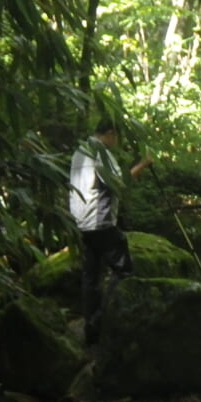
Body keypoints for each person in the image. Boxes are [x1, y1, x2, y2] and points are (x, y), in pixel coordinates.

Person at [69, 118, 152, 344]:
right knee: (123, 270)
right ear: (110, 133)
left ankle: (90, 328)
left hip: (83, 222)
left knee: (91, 276)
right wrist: (143, 163)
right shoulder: (100, 153)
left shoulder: (81, 150)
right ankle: (99, 320)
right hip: (100, 221)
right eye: (115, 136)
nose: (116, 141)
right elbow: (119, 182)